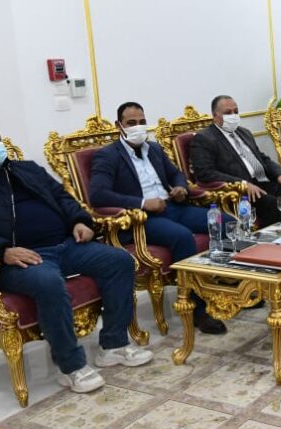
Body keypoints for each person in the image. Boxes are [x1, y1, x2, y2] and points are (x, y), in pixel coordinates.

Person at [0, 119, 153, 394]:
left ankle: (114, 345)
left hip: (65, 244)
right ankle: (71, 366)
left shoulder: (27, 169)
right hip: (17, 258)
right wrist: (2, 249)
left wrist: (79, 220)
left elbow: (62, 197)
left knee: (119, 261)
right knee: (48, 283)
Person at [89, 102, 227, 335]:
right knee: (182, 237)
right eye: (131, 123)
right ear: (119, 126)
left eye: (142, 122)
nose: (138, 127)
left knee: (224, 222)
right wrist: (142, 203)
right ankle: (196, 309)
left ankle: (231, 287)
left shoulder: (153, 148)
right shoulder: (108, 155)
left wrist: (180, 187)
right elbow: (98, 195)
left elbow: (176, 174)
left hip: (173, 206)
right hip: (142, 218)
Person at [189, 95, 281, 228]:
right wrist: (242, 183)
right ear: (215, 116)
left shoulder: (244, 132)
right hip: (240, 192)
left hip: (264, 182)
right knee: (274, 204)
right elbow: (205, 173)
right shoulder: (204, 138)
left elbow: (262, 158)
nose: (233, 116)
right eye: (228, 113)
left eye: (236, 111)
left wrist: (279, 174)